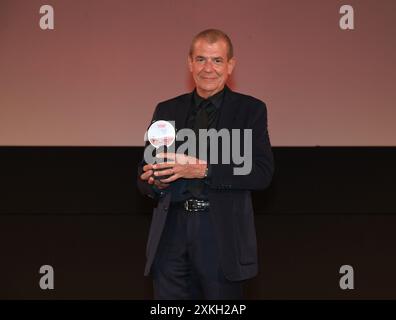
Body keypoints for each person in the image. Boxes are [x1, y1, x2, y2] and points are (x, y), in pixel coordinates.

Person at [137, 29, 274, 299]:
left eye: (217, 60)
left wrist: (203, 169)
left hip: (220, 231)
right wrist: (155, 179)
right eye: (201, 59)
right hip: (170, 232)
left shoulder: (250, 110)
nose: (208, 68)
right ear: (190, 63)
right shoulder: (166, 110)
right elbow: (143, 174)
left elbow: (262, 174)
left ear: (231, 65)